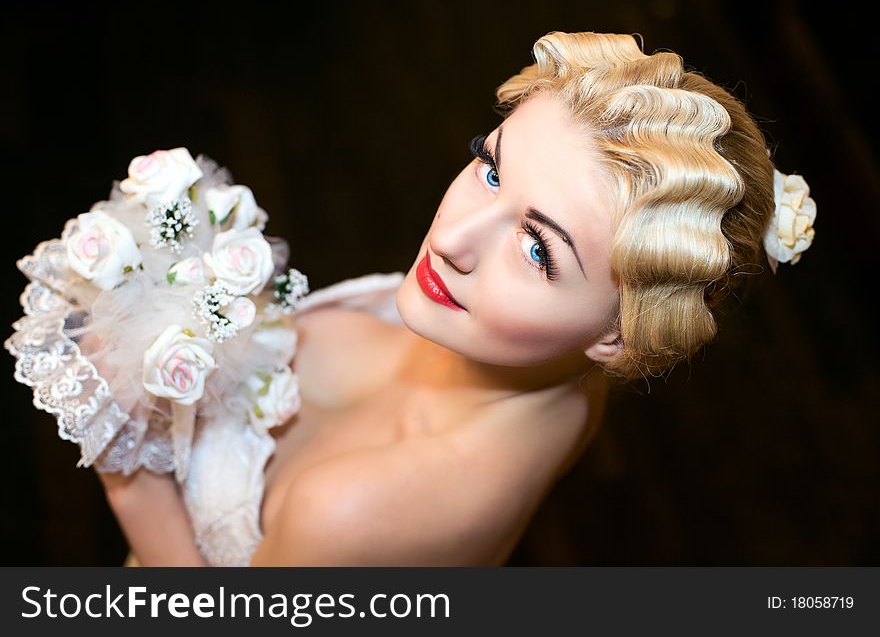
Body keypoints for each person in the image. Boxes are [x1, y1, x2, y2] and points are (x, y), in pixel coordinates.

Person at [21, 30, 818, 566]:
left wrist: (123, 442)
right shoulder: (557, 370)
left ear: (619, 334)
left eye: (538, 246)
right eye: (492, 166)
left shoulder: (363, 508)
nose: (455, 237)